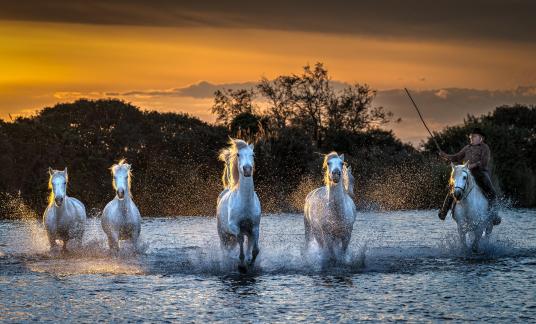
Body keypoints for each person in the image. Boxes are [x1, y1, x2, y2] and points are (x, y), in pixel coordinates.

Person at [438, 127, 501, 225]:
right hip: (466, 173)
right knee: (453, 189)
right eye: (471, 136)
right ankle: (443, 212)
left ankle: (494, 215)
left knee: (491, 191)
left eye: (474, 136)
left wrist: (474, 165)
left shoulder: (485, 148)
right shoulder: (467, 147)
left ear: (481, 138)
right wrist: (445, 155)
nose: (471, 138)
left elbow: (484, 162)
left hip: (480, 173)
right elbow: (456, 157)